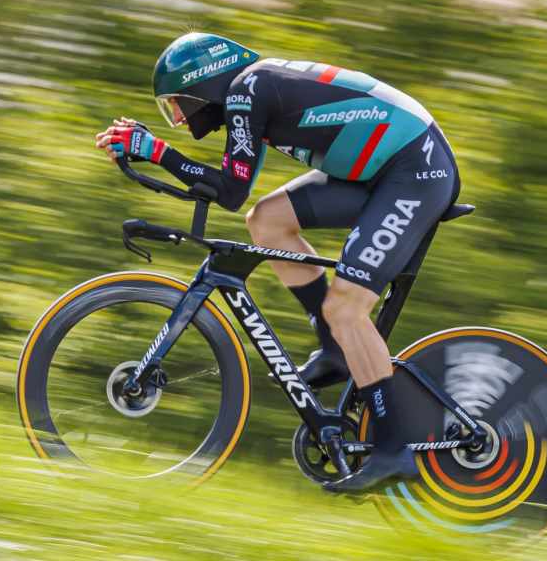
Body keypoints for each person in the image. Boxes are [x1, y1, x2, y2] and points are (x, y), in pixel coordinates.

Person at [94, 33, 460, 493]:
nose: (181, 119)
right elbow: (235, 193)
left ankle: (394, 447)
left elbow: (226, 188)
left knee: (347, 309)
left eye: (177, 106)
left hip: (415, 170)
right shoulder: (251, 93)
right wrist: (156, 154)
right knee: (266, 221)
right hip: (383, 170)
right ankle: (335, 350)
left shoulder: (248, 90)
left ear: (201, 85)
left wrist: (158, 151)